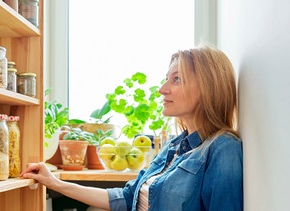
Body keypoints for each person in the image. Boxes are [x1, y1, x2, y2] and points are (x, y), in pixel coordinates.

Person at [20, 44, 243, 211]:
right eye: (166, 79)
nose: (162, 89)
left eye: (177, 79)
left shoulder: (223, 149)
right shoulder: (175, 146)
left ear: (208, 87)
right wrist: (54, 183)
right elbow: (127, 197)